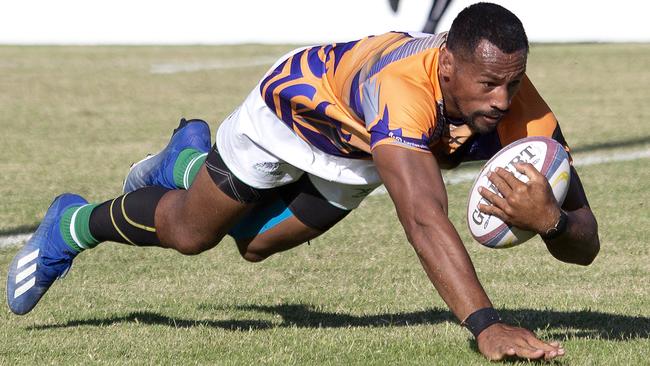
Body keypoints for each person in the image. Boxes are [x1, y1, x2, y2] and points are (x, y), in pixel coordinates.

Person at [6, 2, 599, 361]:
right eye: (487, 83)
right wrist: (486, 326)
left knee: (255, 244)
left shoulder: (526, 113)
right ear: (447, 65)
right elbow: (423, 217)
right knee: (190, 233)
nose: (502, 100)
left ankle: (191, 164)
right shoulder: (403, 91)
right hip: (293, 114)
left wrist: (551, 221)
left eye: (513, 82)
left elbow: (586, 240)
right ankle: (72, 223)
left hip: (361, 152)